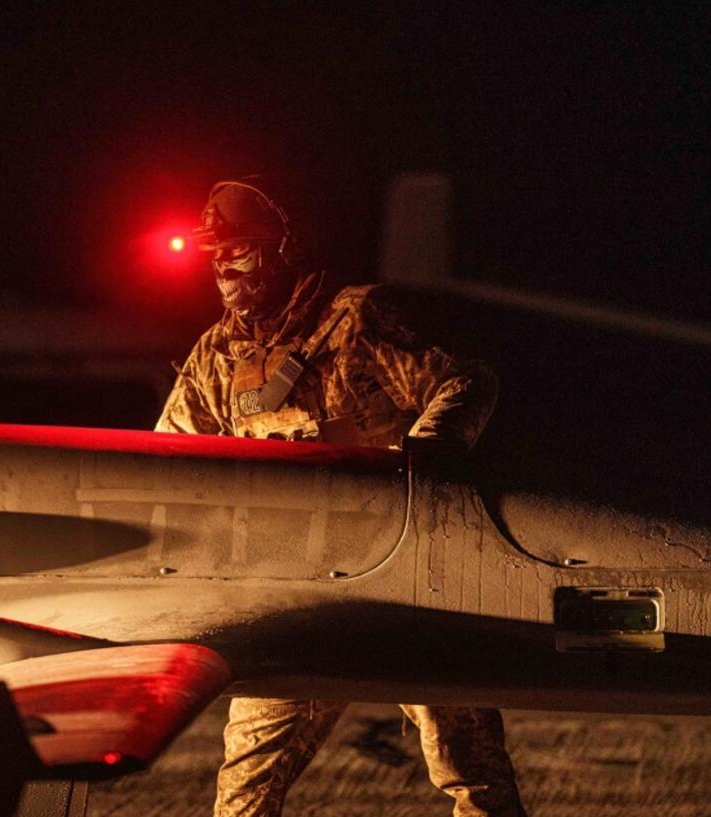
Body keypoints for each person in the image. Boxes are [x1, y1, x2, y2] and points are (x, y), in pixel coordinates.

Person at [155, 177, 527, 817]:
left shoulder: (356, 321)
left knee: (472, 776)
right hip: (296, 595)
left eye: (238, 250)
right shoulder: (217, 355)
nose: (223, 269)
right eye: (214, 255)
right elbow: (166, 458)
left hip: (405, 586)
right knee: (243, 797)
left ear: (281, 250)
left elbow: (466, 381)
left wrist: (425, 463)